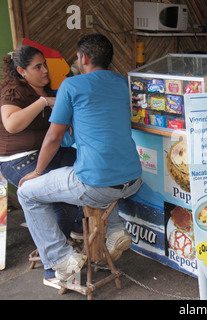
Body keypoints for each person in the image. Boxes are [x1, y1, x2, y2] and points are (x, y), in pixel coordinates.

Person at [17, 33, 142, 282]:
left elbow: (54, 137)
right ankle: (116, 231)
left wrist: (38, 171)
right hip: (133, 180)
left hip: (97, 185)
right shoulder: (121, 81)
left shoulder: (71, 86)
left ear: (83, 58)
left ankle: (61, 257)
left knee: (26, 193)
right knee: (96, 173)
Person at [0, 45, 82, 288]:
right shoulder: (13, 91)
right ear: (21, 71)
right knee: (52, 201)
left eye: (44, 64)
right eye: (38, 67)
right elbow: (12, 125)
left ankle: (75, 230)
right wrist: (44, 102)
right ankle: (52, 269)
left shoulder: (49, 89)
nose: (45, 70)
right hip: (16, 159)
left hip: (46, 154)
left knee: (82, 172)